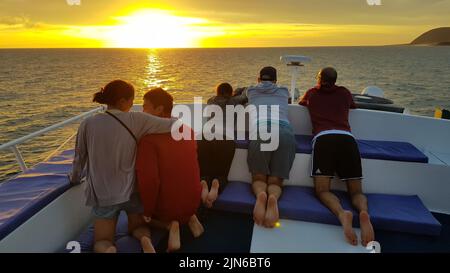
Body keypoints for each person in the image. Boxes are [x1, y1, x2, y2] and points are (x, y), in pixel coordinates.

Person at [70, 80, 178, 253]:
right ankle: (145, 240)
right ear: (122, 101)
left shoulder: (87, 124)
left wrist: (74, 179)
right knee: (138, 227)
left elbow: (79, 159)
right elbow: (173, 124)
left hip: (103, 195)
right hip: (131, 192)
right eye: (132, 101)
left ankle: (108, 250)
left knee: (103, 240)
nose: (133, 105)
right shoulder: (136, 119)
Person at [299, 67, 375, 246]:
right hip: (348, 140)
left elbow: (302, 103)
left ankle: (342, 214)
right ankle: (364, 213)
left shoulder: (312, 93)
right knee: (356, 191)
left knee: (323, 190)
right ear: (335, 79)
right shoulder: (344, 93)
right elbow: (352, 106)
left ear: (319, 79)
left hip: (324, 139)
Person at [136, 88, 204, 252]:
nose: (142, 111)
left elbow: (150, 181)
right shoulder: (188, 130)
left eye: (145, 107)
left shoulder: (149, 140)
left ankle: (169, 225)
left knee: (135, 217)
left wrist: (147, 210)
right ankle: (190, 218)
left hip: (167, 210)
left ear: (159, 109)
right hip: (194, 202)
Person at [243, 66, 296, 228]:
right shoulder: (284, 91)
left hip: (261, 129)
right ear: (275, 80)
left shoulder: (251, 91)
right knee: (276, 180)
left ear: (258, 79)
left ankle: (261, 195)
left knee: (259, 178)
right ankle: (273, 198)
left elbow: (241, 95)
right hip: (284, 131)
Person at [197, 83, 244, 208]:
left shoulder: (211, 100)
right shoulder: (234, 101)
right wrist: (238, 92)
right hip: (225, 138)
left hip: (204, 137)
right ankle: (217, 184)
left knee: (204, 171)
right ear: (231, 93)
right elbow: (245, 95)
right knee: (222, 173)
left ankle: (204, 183)